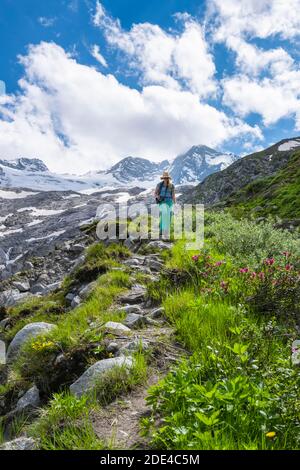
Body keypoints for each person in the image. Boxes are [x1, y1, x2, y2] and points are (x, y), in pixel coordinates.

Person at [155, 170, 176, 239]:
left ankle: (166, 231)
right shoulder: (159, 185)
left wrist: (174, 203)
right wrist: (158, 197)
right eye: (164, 177)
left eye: (167, 178)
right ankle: (161, 230)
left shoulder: (172, 186)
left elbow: (173, 195)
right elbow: (155, 193)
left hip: (170, 202)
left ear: (168, 178)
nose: (165, 179)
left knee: (169, 216)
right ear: (163, 178)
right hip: (162, 202)